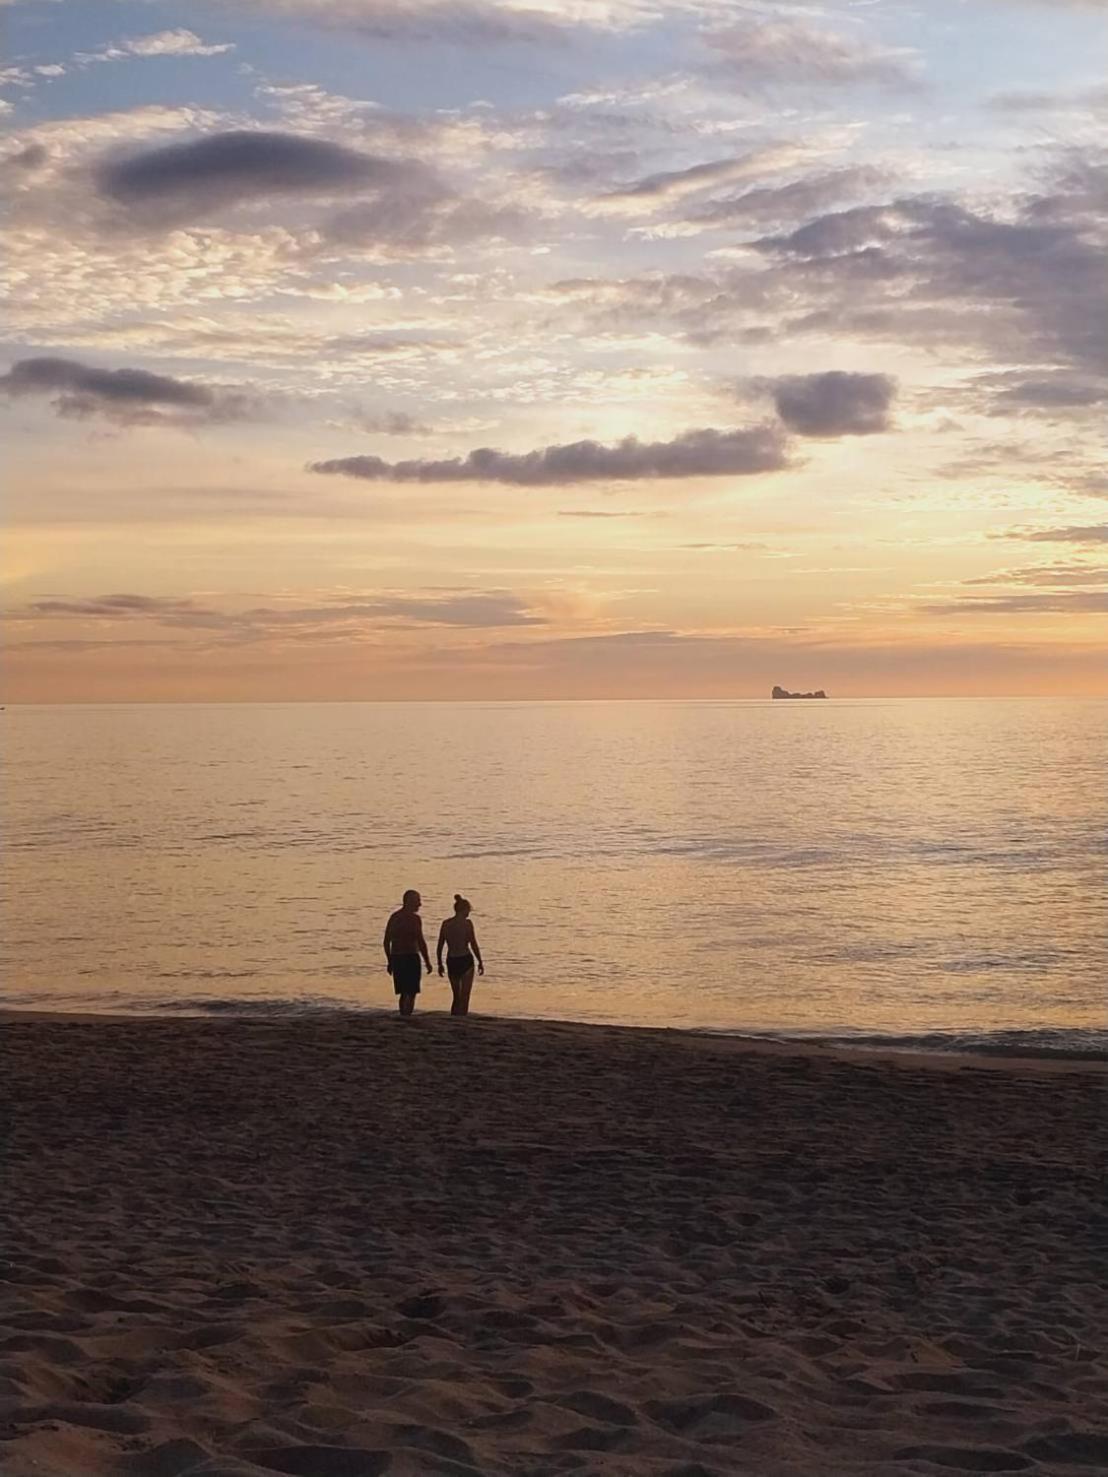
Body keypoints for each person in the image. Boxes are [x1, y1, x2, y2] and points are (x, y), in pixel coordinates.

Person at [383, 889, 432, 1017]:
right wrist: (427, 961)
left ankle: (404, 1014)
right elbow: (420, 941)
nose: (420, 904)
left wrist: (390, 960)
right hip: (409, 956)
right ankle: (406, 1014)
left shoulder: (394, 917)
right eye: (417, 901)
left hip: (398, 957)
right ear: (409, 902)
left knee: (405, 991)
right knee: (411, 991)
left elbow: (386, 941)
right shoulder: (414, 919)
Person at [436, 894, 484, 1017]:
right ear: (464, 910)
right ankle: (462, 1017)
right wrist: (480, 961)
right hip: (465, 959)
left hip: (451, 960)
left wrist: (440, 963)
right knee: (465, 995)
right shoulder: (467, 924)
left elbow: (440, 945)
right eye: (468, 910)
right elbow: (473, 943)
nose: (469, 913)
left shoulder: (446, 924)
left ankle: (454, 1017)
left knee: (456, 995)